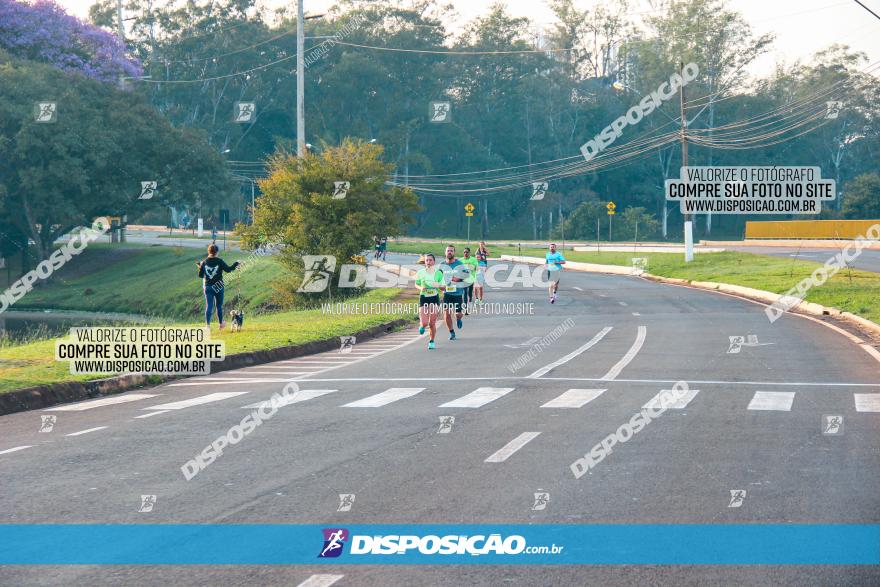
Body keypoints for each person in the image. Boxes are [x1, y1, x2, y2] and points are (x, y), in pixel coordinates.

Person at [196, 244, 240, 329]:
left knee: (209, 306)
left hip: (208, 287)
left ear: (209, 252)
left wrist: (200, 267)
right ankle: (221, 324)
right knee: (218, 306)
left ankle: (207, 326)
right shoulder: (220, 261)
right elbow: (228, 269)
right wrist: (236, 263)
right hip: (218, 286)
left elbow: (201, 275)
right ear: (217, 252)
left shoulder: (204, 262)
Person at [415, 253, 444, 349]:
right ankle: (422, 326)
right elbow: (416, 284)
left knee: (432, 323)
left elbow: (443, 286)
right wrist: (421, 288)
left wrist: (439, 286)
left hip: (434, 298)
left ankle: (431, 341)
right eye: (427, 260)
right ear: (425, 262)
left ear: (434, 262)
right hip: (424, 298)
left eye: (430, 260)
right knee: (424, 323)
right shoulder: (420, 273)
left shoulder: (438, 273)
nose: (429, 262)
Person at [440, 245, 465, 340]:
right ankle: (452, 332)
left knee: (458, 314)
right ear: (445, 253)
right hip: (447, 293)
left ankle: (458, 318)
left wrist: (457, 279)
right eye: (448, 251)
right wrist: (440, 286)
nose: (449, 252)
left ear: (454, 253)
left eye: (451, 251)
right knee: (446, 313)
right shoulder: (442, 265)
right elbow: (438, 278)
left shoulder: (459, 264)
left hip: (458, 293)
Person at [460, 247, 478, 314]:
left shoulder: (473, 260)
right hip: (463, 279)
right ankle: (465, 307)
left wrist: (466, 267)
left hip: (471, 278)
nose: (465, 253)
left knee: (469, 292)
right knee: (465, 292)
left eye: (467, 252)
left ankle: (469, 301)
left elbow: (475, 268)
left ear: (469, 253)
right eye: (464, 252)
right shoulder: (460, 260)